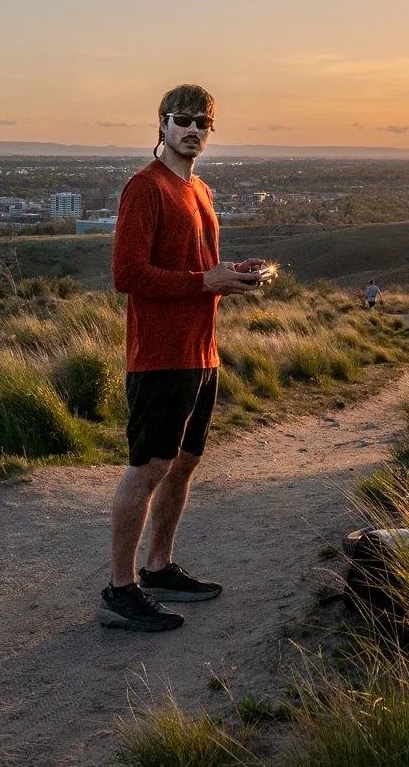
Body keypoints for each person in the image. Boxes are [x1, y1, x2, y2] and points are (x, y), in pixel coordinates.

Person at [98, 84, 269, 632]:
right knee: (148, 467)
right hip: (160, 356)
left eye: (203, 122)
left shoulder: (201, 190)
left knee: (184, 462)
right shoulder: (144, 189)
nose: (193, 129)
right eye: (183, 120)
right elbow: (126, 274)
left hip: (201, 351)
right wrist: (204, 280)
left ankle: (159, 567)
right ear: (163, 124)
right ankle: (119, 591)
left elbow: (201, 269)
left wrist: (232, 275)